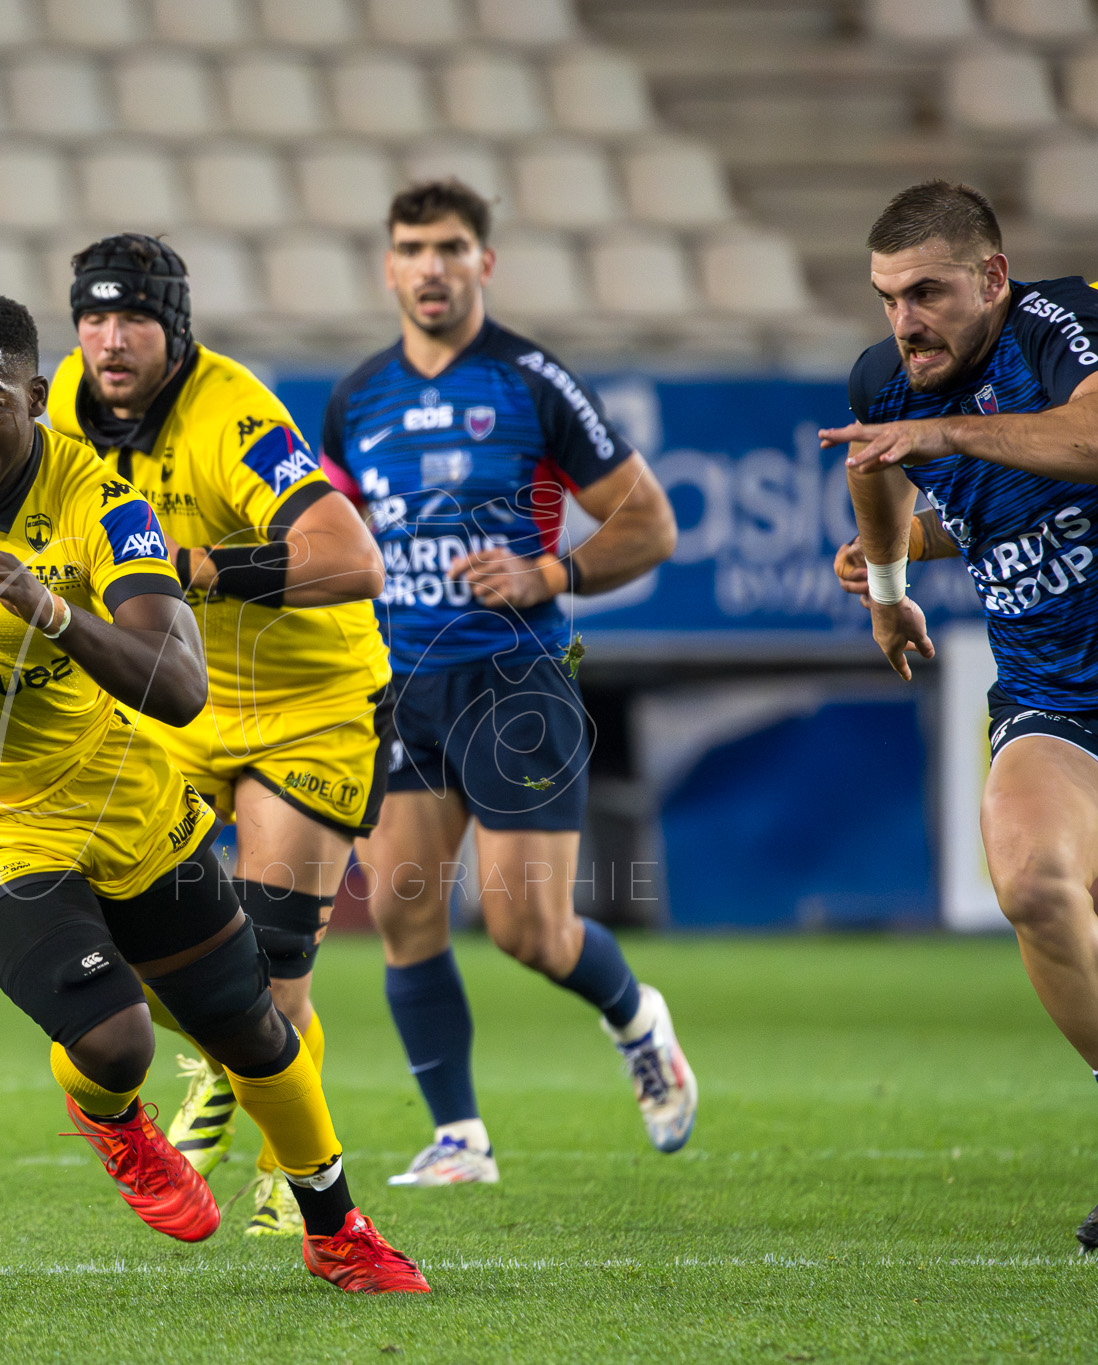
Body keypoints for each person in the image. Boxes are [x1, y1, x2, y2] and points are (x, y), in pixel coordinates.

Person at [0, 293, 427, 1292]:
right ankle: (112, 1117)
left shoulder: (100, 505)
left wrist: (49, 610)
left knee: (251, 1024)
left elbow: (180, 684)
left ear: (34, 399)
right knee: (117, 1040)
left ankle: (336, 1230)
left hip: (119, 798)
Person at [320, 179, 693, 1187]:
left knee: (528, 930)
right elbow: (336, 542)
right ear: (388, 267)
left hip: (513, 680)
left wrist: (549, 573)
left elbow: (650, 525)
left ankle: (635, 1017)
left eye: (449, 247)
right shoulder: (355, 398)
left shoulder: (532, 382)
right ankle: (460, 1139)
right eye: (411, 248)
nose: (430, 266)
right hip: (400, 687)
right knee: (403, 913)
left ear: (482, 262)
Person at [824, 179, 1098, 1247]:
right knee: (1034, 884)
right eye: (887, 298)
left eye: (926, 292)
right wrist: (889, 592)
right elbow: (874, 469)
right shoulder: (885, 380)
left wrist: (952, 435)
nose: (904, 321)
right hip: (1064, 707)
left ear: (990, 278)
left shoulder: (1056, 320)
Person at [45, 234, 392, 1235]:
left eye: (134, 319)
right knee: (115, 937)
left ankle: (293, 1167)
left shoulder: (233, 414)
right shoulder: (61, 404)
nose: (111, 341)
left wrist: (191, 565)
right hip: (178, 704)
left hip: (307, 705)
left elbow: (352, 559)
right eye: (94, 318)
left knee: (269, 970)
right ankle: (224, 1055)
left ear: (176, 326)